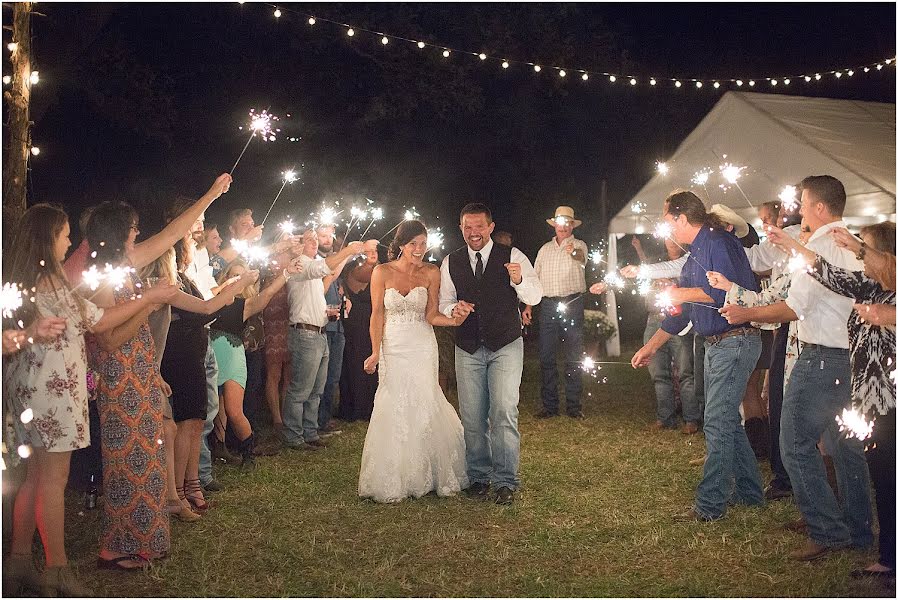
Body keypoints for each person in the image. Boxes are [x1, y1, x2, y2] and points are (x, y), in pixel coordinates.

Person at [2, 204, 176, 595]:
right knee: (53, 480)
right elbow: (95, 321)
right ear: (47, 238)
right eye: (64, 235)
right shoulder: (39, 284)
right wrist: (149, 299)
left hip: (38, 393)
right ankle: (56, 569)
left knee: (34, 477)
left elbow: (92, 320)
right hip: (50, 395)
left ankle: (16, 563)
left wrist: (148, 298)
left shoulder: (38, 282)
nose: (70, 243)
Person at [718, 176, 874, 560]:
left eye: (804, 203)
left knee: (794, 445)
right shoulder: (854, 246)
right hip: (852, 357)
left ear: (820, 207)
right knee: (844, 446)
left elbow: (794, 307)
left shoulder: (818, 249)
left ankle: (826, 530)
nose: (799, 210)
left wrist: (747, 312)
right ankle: (858, 529)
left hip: (821, 357)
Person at [765, 220, 895, 575]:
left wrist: (892, 316)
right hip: (872, 397)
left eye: (864, 251)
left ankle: (879, 554)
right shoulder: (869, 284)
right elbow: (830, 274)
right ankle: (886, 556)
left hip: (892, 395)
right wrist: (794, 247)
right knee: (881, 473)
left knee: (887, 473)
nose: (858, 259)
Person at [632, 191, 764, 522]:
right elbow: (681, 315)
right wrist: (652, 346)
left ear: (680, 217)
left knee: (717, 423)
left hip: (735, 341)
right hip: (717, 344)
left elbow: (722, 291)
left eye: (666, 219)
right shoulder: (695, 254)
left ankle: (709, 506)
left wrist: (677, 292)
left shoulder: (717, 241)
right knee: (727, 421)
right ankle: (750, 495)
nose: (665, 227)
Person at [358, 220, 471, 502]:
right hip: (393, 345)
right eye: (413, 244)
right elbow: (376, 315)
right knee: (393, 401)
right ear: (400, 245)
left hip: (422, 344)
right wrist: (374, 351)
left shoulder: (432, 272)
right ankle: (394, 474)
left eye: (423, 244)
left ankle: (431, 471)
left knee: (425, 398)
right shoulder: (382, 272)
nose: (419, 249)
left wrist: (454, 320)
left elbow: (431, 315)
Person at [439, 203, 543, 505]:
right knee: (472, 417)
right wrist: (452, 309)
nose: (474, 233)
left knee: (503, 412)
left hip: (506, 345)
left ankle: (505, 481)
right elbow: (445, 300)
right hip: (468, 346)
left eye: (479, 227)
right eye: (468, 227)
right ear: (461, 228)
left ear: (490, 227)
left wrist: (519, 280)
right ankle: (479, 477)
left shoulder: (513, 256)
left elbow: (536, 294)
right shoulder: (452, 261)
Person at [210, 257, 302, 467]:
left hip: (232, 356)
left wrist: (285, 273)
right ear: (226, 277)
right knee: (215, 409)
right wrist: (227, 287)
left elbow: (268, 294)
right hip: (210, 356)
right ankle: (219, 449)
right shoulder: (210, 300)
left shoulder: (246, 305)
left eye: (243, 276)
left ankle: (248, 454)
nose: (239, 279)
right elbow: (210, 296)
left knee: (233, 410)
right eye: (235, 275)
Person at [282, 231, 364, 450]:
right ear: (298, 245)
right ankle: (293, 435)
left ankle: (310, 431)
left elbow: (330, 271)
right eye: (309, 238)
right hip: (305, 334)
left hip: (319, 331)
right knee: (300, 389)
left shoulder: (315, 268)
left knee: (317, 389)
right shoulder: (299, 264)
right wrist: (348, 250)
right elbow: (324, 268)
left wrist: (326, 312)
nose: (314, 241)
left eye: (315, 239)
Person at [527, 206, 589, 419]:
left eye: (567, 223)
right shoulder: (544, 250)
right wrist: (528, 306)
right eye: (559, 223)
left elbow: (581, 258)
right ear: (555, 225)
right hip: (548, 305)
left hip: (573, 302)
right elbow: (535, 279)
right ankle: (550, 406)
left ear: (572, 225)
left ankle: (573, 406)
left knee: (573, 355)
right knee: (546, 356)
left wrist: (572, 251)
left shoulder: (579, 245)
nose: (563, 227)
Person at [339, 239, 380, 422]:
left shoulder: (377, 269)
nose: (374, 254)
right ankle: (357, 408)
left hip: (371, 323)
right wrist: (370, 260)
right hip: (356, 325)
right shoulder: (354, 271)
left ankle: (371, 405)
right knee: (356, 363)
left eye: (376, 251)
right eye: (371, 252)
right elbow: (365, 275)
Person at [317, 223, 350, 435]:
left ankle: (325, 419)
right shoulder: (317, 262)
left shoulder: (335, 261)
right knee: (320, 377)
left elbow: (336, 286)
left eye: (330, 235)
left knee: (333, 376)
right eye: (323, 235)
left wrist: (345, 297)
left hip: (338, 325)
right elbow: (323, 284)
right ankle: (315, 422)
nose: (328, 239)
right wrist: (346, 255)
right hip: (321, 325)